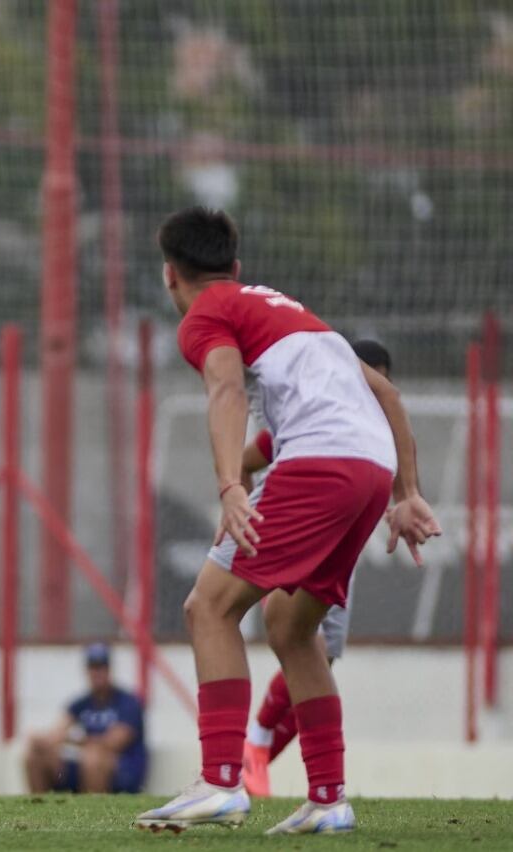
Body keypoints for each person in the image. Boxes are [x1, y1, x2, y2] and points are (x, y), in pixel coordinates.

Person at [134, 208, 440, 835]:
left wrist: (227, 486)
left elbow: (226, 391)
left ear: (171, 277)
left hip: (320, 465)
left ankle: (222, 781)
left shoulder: (205, 314)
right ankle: (328, 798)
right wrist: (407, 492)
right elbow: (389, 396)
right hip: (369, 471)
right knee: (291, 626)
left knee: (209, 608)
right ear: (237, 267)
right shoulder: (290, 311)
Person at [240, 340, 393, 798]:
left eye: (380, 381)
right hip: (292, 540)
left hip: (338, 554)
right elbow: (247, 459)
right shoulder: (314, 420)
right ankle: (258, 740)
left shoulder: (374, 427)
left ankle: (262, 758)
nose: (374, 390)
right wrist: (246, 512)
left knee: (322, 659)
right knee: (306, 641)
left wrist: (406, 500)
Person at [24, 643, 147, 795]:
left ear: (109, 670)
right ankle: (40, 809)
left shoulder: (128, 702)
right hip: (85, 764)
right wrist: (42, 740)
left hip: (123, 769)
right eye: (93, 667)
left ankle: (94, 812)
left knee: (93, 757)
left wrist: (73, 740)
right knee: (36, 755)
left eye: (101, 667)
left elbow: (113, 742)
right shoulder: (81, 703)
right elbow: (57, 732)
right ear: (87, 671)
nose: (97, 673)